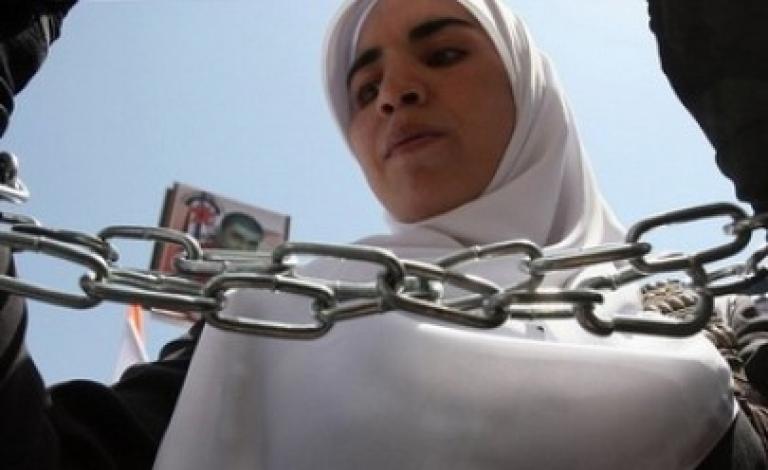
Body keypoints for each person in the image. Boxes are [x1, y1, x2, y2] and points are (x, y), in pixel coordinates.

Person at [0, 0, 766, 469]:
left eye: (444, 53)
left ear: (534, 93)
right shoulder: (271, 326)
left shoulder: (706, 310)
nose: (395, 94)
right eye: (364, 89)